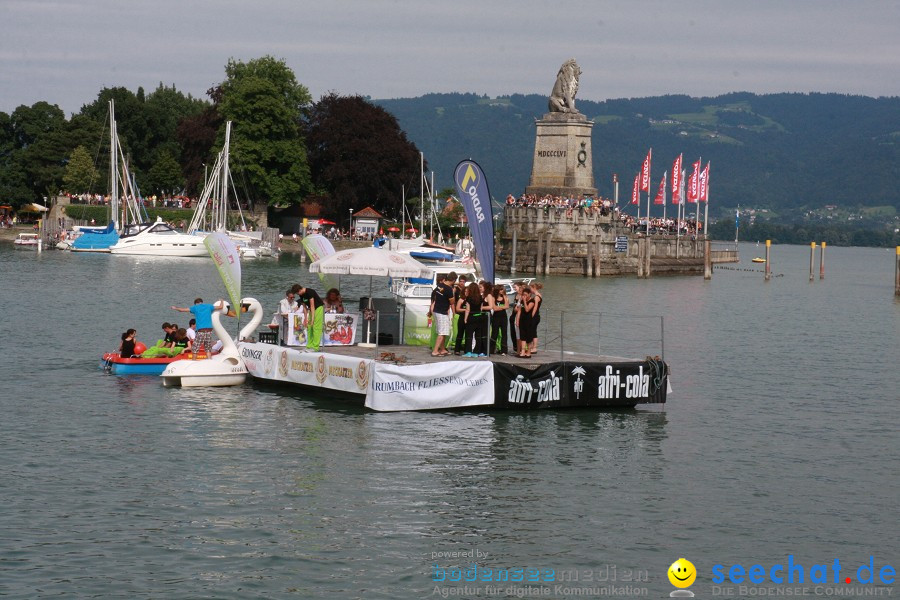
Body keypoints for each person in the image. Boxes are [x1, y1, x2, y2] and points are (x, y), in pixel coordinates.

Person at [429, 272, 456, 357]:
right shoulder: (449, 289)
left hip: (436, 310)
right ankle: (435, 351)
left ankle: (443, 349)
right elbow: (452, 302)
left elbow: (434, 296)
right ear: (454, 280)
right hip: (442, 312)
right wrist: (454, 313)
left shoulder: (440, 285)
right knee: (442, 332)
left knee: (442, 331)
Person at [296, 285, 324, 351]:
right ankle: (309, 346)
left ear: (300, 290)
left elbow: (312, 306)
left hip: (318, 308)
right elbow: (305, 308)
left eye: (297, 293)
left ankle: (315, 347)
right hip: (311, 310)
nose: (298, 294)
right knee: (309, 327)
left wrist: (313, 319)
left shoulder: (309, 292)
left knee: (316, 327)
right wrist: (305, 318)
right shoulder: (301, 295)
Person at [463, 282, 486, 357]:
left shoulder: (469, 298)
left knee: (469, 335)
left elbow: (467, 309)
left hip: (471, 317)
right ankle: (476, 352)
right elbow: (481, 308)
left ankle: (468, 351)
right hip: (479, 317)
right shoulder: (480, 297)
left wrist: (465, 319)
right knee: (478, 336)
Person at [516, 286, 535, 358]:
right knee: (522, 336)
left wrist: (524, 301)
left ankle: (529, 352)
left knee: (529, 337)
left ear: (529, 294)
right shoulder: (521, 301)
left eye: (526, 295)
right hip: (522, 320)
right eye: (523, 295)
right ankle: (523, 351)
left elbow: (527, 309)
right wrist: (517, 320)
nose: (524, 296)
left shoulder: (532, 301)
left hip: (529, 321)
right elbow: (519, 311)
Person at [452, 274, 469, 355]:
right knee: (459, 332)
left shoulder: (467, 291)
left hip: (467, 316)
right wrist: (454, 313)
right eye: (460, 281)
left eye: (463, 282)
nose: (462, 283)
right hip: (459, 313)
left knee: (467, 333)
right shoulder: (456, 289)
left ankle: (466, 348)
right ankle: (457, 348)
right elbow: (452, 302)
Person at [490, 284, 509, 355]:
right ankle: (491, 349)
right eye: (500, 289)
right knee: (494, 333)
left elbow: (507, 306)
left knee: (504, 333)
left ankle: (504, 350)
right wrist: (502, 307)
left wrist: (499, 307)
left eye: (502, 289)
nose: (502, 291)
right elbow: (494, 308)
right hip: (496, 317)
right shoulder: (493, 298)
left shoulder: (505, 297)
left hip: (503, 317)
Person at [529, 282, 543, 355]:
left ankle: (534, 348)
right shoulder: (539, 295)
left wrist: (531, 316)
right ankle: (532, 347)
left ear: (533, 288)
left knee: (533, 332)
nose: (530, 290)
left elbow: (535, 308)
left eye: (530, 288)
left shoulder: (536, 297)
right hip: (537, 316)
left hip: (535, 316)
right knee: (534, 331)